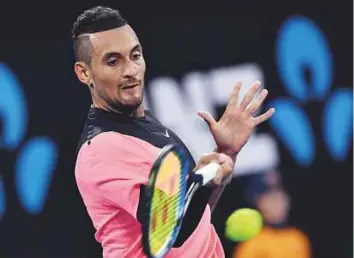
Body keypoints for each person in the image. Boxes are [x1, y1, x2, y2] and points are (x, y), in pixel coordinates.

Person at [72, 6, 275, 258]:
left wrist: (225, 153)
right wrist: (203, 178)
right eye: (113, 61)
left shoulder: (148, 124)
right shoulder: (102, 150)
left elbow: (195, 222)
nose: (130, 71)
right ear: (84, 72)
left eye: (135, 56)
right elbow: (171, 228)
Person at [232, 170, 311, 258]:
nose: (277, 204)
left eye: (279, 197)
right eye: (271, 200)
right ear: (259, 203)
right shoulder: (252, 242)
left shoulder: (298, 239)